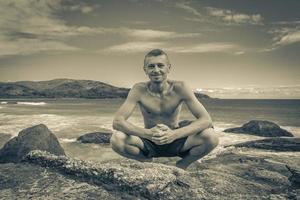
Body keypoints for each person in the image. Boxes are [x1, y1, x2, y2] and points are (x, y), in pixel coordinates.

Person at [111, 49, 218, 169]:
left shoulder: (180, 88)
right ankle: (145, 160)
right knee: (117, 139)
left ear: (169, 68)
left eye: (160, 65)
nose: (156, 70)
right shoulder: (138, 89)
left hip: (176, 140)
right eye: (151, 66)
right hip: (149, 140)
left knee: (211, 136)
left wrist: (174, 134)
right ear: (145, 70)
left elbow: (206, 120)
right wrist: (148, 134)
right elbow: (117, 122)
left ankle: (182, 165)